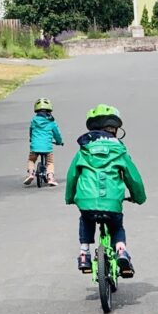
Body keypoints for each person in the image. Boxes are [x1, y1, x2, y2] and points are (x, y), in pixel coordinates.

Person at [64, 104, 146, 276]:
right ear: (115, 131)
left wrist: (70, 197)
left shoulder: (83, 151)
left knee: (86, 219)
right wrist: (138, 197)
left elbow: (72, 176)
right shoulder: (120, 151)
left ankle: (84, 253)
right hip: (112, 202)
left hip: (87, 201)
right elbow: (133, 178)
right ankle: (121, 251)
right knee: (116, 226)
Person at [23, 97, 63, 187]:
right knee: (50, 163)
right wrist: (59, 142)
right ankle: (50, 177)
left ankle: (31, 174)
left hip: (35, 146)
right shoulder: (51, 122)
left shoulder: (34, 120)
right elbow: (57, 134)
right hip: (47, 147)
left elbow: (31, 131)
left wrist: (31, 139)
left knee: (31, 160)